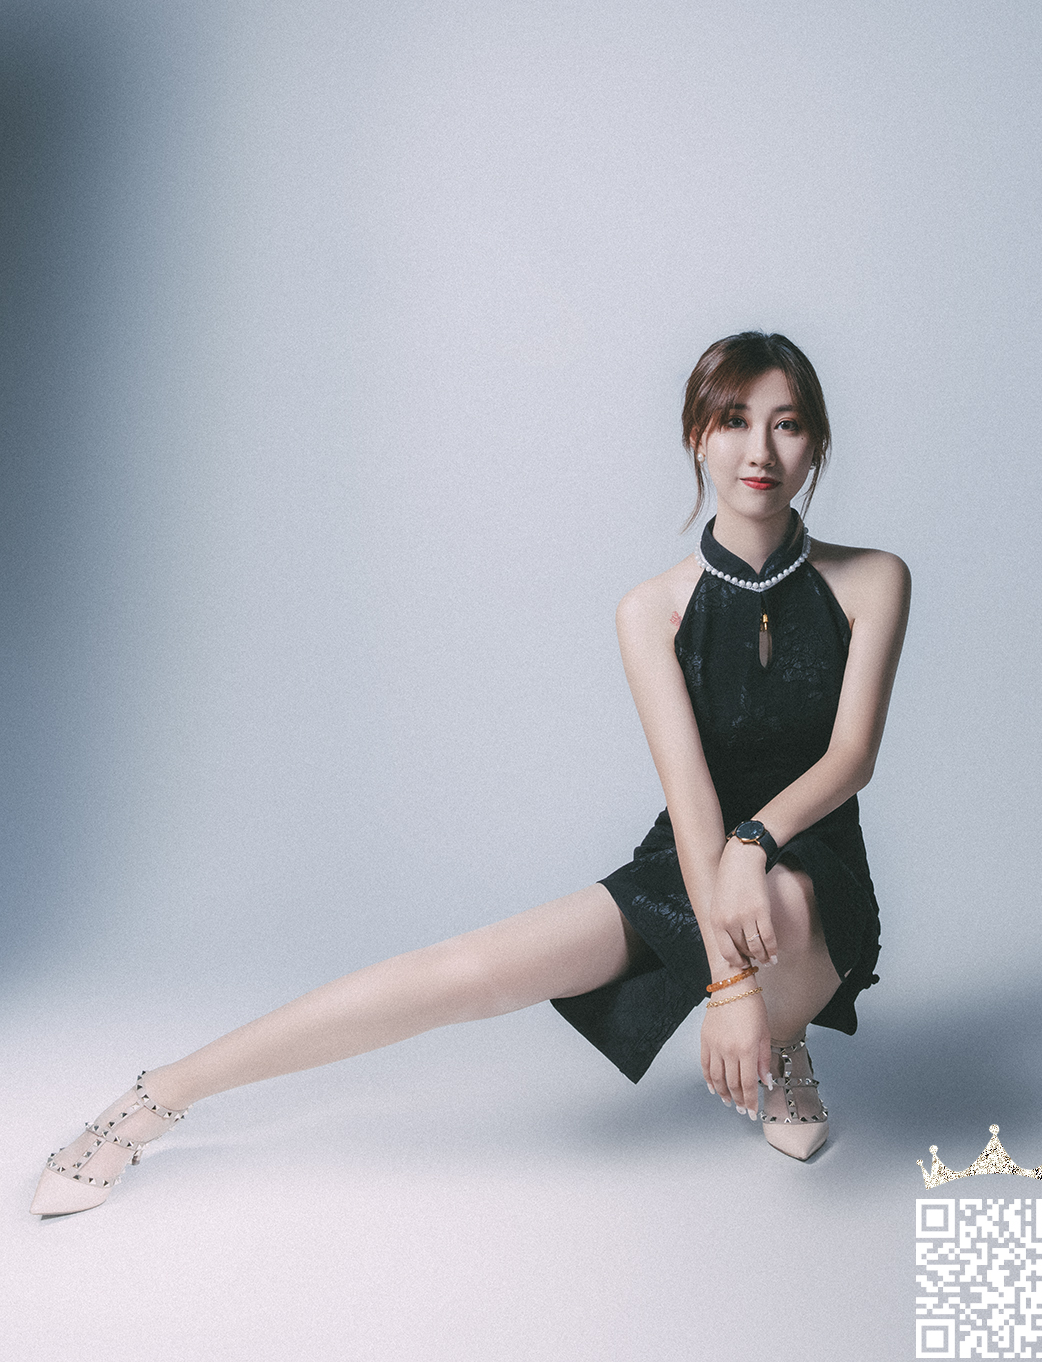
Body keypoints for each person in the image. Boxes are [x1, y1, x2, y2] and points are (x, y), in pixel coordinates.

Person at [32, 331, 910, 1214]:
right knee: (463, 970)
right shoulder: (652, 609)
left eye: (786, 425)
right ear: (696, 436)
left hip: (815, 867)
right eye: (734, 421)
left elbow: (852, 759)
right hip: (693, 857)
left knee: (779, 902)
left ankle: (783, 1041)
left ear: (816, 443)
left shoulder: (872, 580)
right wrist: (728, 980)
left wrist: (755, 847)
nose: (760, 452)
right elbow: (691, 806)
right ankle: (157, 1096)